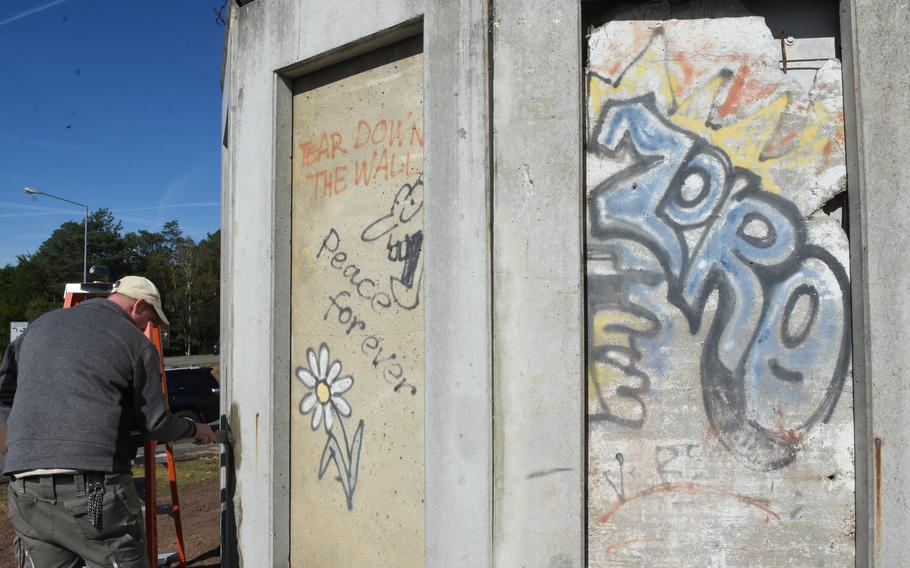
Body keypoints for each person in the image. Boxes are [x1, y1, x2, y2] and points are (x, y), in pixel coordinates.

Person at [0, 275, 216, 568]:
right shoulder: (135, 344)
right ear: (137, 304)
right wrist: (197, 430)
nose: (147, 327)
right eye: (149, 318)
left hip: (25, 490)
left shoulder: (40, 326)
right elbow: (156, 424)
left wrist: (14, 444)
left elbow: (5, 394)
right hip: (92, 491)